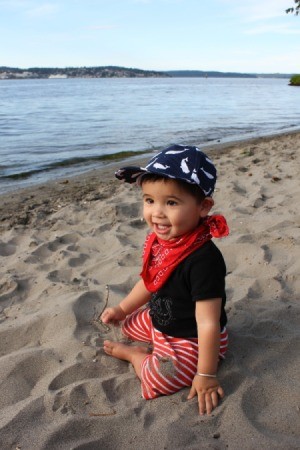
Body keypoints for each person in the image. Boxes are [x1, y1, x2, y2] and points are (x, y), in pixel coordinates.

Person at [101, 144, 229, 415]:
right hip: (163, 318)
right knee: (128, 325)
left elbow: (208, 322)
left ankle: (136, 357)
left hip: (192, 337)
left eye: (171, 202)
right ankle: (148, 338)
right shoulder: (162, 241)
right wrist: (122, 308)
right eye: (149, 200)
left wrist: (205, 375)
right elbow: (150, 282)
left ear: (203, 207)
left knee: (160, 378)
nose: (157, 212)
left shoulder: (203, 259)